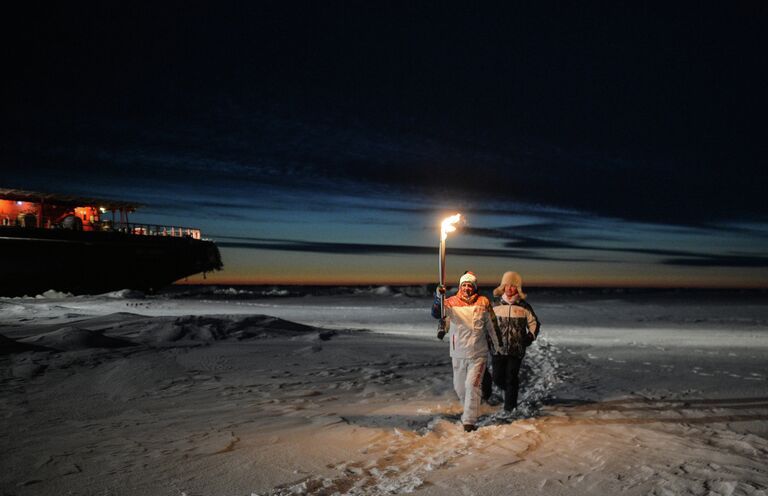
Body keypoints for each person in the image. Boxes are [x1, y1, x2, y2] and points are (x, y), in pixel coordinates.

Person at [432, 271, 500, 432]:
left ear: (474, 288)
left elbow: (492, 325)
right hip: (458, 353)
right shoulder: (450, 302)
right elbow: (437, 313)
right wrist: (438, 297)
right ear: (460, 286)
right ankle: (472, 406)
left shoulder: (483, 302)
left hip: (478, 353)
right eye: (464, 285)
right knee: (460, 388)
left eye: (470, 285)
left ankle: (469, 420)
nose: (467, 288)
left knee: (472, 386)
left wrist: (498, 345)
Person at [490, 271, 541, 414]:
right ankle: (511, 393)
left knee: (511, 377)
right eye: (507, 285)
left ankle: (510, 407)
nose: (510, 289)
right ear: (503, 286)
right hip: (497, 349)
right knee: (497, 378)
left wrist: (529, 337)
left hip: (516, 349)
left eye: (513, 286)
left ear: (517, 288)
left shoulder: (524, 306)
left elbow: (534, 323)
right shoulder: (494, 304)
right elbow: (484, 322)